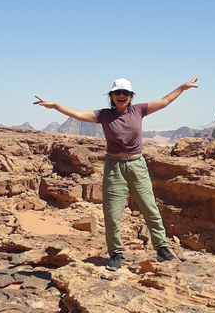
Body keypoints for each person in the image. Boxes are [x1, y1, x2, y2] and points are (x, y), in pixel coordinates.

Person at [34, 76, 199, 270]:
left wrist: (182, 87)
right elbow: (78, 114)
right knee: (112, 213)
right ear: (111, 95)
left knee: (150, 208)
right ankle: (115, 253)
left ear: (131, 96)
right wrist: (54, 105)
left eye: (126, 93)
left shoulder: (139, 110)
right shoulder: (103, 115)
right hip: (114, 168)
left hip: (137, 166)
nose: (122, 96)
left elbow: (164, 101)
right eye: (118, 92)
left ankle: (161, 248)